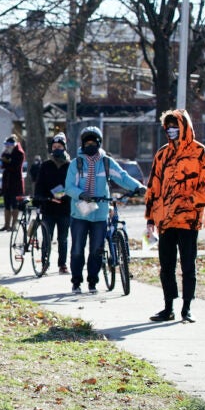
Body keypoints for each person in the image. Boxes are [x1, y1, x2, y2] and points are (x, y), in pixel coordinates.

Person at [145, 110, 205, 323]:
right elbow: (153, 187)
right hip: (165, 221)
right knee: (166, 265)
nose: (171, 130)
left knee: (188, 265)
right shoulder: (162, 154)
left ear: (184, 126)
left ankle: (187, 308)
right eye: (167, 127)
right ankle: (168, 307)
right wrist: (151, 218)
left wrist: (191, 203)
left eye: (175, 125)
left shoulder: (199, 152)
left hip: (189, 220)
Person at [64, 126, 145, 294]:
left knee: (96, 250)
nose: (90, 145)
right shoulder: (76, 164)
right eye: (87, 142)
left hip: (100, 213)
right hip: (79, 213)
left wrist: (138, 187)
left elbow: (122, 177)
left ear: (99, 143)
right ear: (82, 144)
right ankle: (76, 282)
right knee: (78, 249)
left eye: (94, 142)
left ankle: (93, 282)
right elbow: (69, 187)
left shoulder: (106, 162)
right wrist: (81, 194)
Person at [33, 133, 71, 274]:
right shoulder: (46, 165)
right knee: (47, 238)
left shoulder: (70, 166)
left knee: (63, 239)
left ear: (64, 148)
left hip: (65, 208)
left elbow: (73, 185)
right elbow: (40, 185)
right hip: (48, 208)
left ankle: (62, 264)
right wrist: (40, 199)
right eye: (54, 147)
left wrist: (65, 196)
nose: (57, 149)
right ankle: (45, 262)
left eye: (59, 147)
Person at [0, 134, 25, 231]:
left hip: (15, 183)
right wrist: (2, 159)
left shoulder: (19, 153)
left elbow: (15, 167)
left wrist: (6, 161)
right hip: (7, 182)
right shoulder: (6, 152)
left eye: (9, 145)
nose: (7, 146)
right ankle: (6, 224)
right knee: (7, 205)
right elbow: (1, 163)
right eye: (6, 145)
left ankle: (13, 225)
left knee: (15, 205)